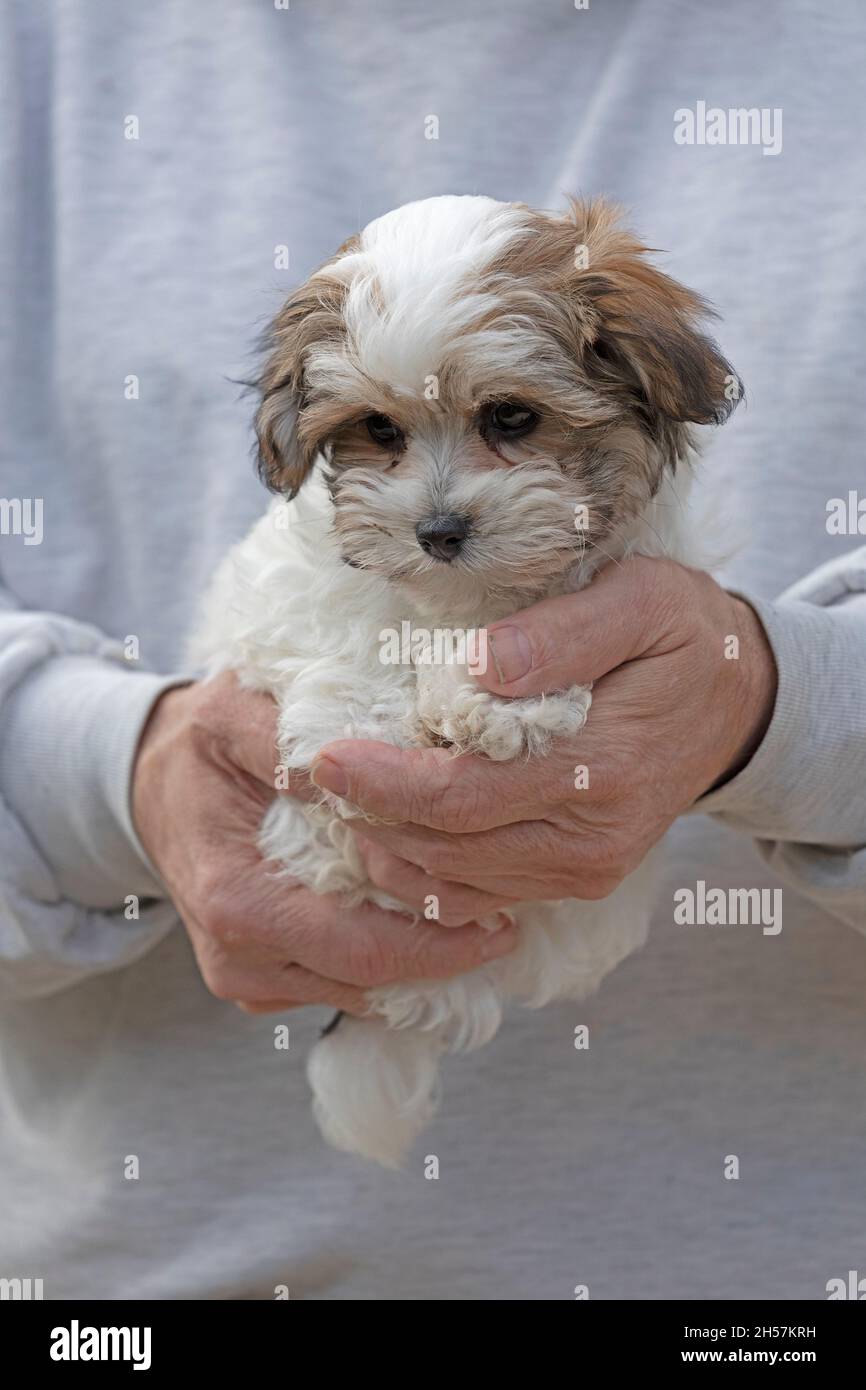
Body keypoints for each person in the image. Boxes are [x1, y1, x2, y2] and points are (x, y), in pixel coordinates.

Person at [1, 0, 864, 1300]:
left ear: (637, 382)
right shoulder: (42, 45)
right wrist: (112, 773)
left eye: (511, 420)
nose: (438, 505)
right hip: (151, 1292)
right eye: (376, 438)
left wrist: (774, 716)